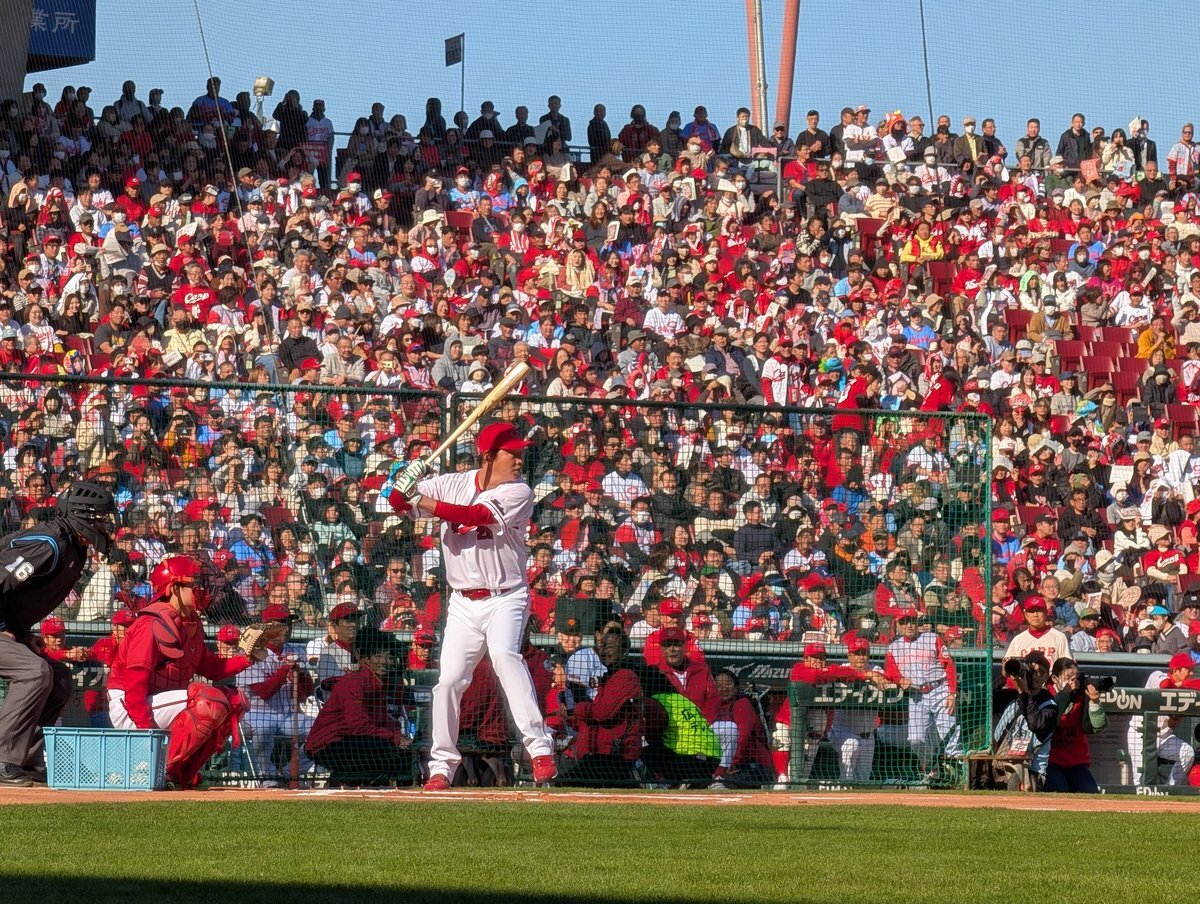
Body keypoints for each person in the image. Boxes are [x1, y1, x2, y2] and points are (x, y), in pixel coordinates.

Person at [389, 421, 556, 789]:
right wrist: (401, 484)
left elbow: (474, 516)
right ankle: (441, 766)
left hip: (506, 595)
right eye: (513, 453)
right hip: (463, 603)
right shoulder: (452, 483)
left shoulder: (519, 490)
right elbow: (397, 505)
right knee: (448, 681)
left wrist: (417, 497)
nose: (520, 460)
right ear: (489, 456)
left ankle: (539, 747)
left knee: (504, 655)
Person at [108, 555, 262, 789]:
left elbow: (213, 668)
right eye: (194, 583)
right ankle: (159, 770)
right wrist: (147, 734)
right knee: (210, 700)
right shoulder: (151, 623)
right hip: (130, 706)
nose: (202, 589)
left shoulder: (191, 622)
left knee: (235, 701)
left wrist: (247, 658)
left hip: (157, 703)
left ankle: (184, 773)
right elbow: (134, 685)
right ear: (173, 589)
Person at [0, 480, 115, 786]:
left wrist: (22, 634)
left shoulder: (73, 547)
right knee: (34, 671)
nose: (104, 525)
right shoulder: (48, 544)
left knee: (59, 678)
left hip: (8, 627)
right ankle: (2, 758)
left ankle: (24, 760)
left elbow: (16, 598)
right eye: (100, 518)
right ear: (83, 515)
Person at [304, 624, 413, 787]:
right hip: (327, 745)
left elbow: (381, 720)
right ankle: (341, 780)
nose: (384, 662)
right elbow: (359, 727)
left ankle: (351, 781)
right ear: (366, 659)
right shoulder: (354, 683)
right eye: (378, 656)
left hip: (351, 740)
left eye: (389, 657)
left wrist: (400, 736)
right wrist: (395, 738)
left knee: (402, 755)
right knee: (389, 752)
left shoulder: (379, 683)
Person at [235, 603, 315, 787]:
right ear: (267, 626)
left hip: (287, 716)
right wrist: (285, 669)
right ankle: (268, 777)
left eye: (289, 623)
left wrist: (301, 675)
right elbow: (265, 692)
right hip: (253, 714)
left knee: (321, 729)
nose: (287, 628)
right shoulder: (249, 652)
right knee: (265, 727)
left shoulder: (296, 651)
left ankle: (289, 773)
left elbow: (306, 694)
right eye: (281, 623)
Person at [557, 626, 643, 787]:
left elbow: (601, 713)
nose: (604, 651)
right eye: (602, 646)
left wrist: (577, 710)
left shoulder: (625, 677)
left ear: (624, 652)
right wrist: (571, 717)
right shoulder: (608, 677)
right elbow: (596, 718)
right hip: (599, 753)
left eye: (610, 648)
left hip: (614, 755)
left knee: (565, 784)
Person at [884, 613, 961, 780]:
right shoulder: (893, 647)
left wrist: (952, 693)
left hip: (939, 689)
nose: (909, 625)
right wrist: (899, 679)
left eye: (912, 621)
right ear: (898, 626)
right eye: (904, 622)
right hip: (916, 695)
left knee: (950, 736)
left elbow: (948, 665)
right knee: (915, 739)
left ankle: (959, 777)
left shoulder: (932, 638)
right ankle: (930, 765)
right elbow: (890, 672)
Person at [1043, 657, 1107, 793]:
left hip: (1077, 762)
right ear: (1055, 679)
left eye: (1076, 677)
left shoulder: (1082, 696)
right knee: (1060, 790)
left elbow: (1097, 726)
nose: (1074, 682)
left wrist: (1095, 702)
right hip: (1051, 761)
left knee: (1091, 793)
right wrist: (1065, 693)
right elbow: (1050, 720)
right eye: (1068, 677)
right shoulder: (1046, 694)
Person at [710, 667, 773, 789]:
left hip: (752, 765)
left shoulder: (742, 703)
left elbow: (742, 737)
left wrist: (730, 763)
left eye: (728, 684)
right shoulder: (713, 705)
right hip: (723, 763)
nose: (724, 688)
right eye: (719, 685)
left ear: (736, 687)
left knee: (725, 780)